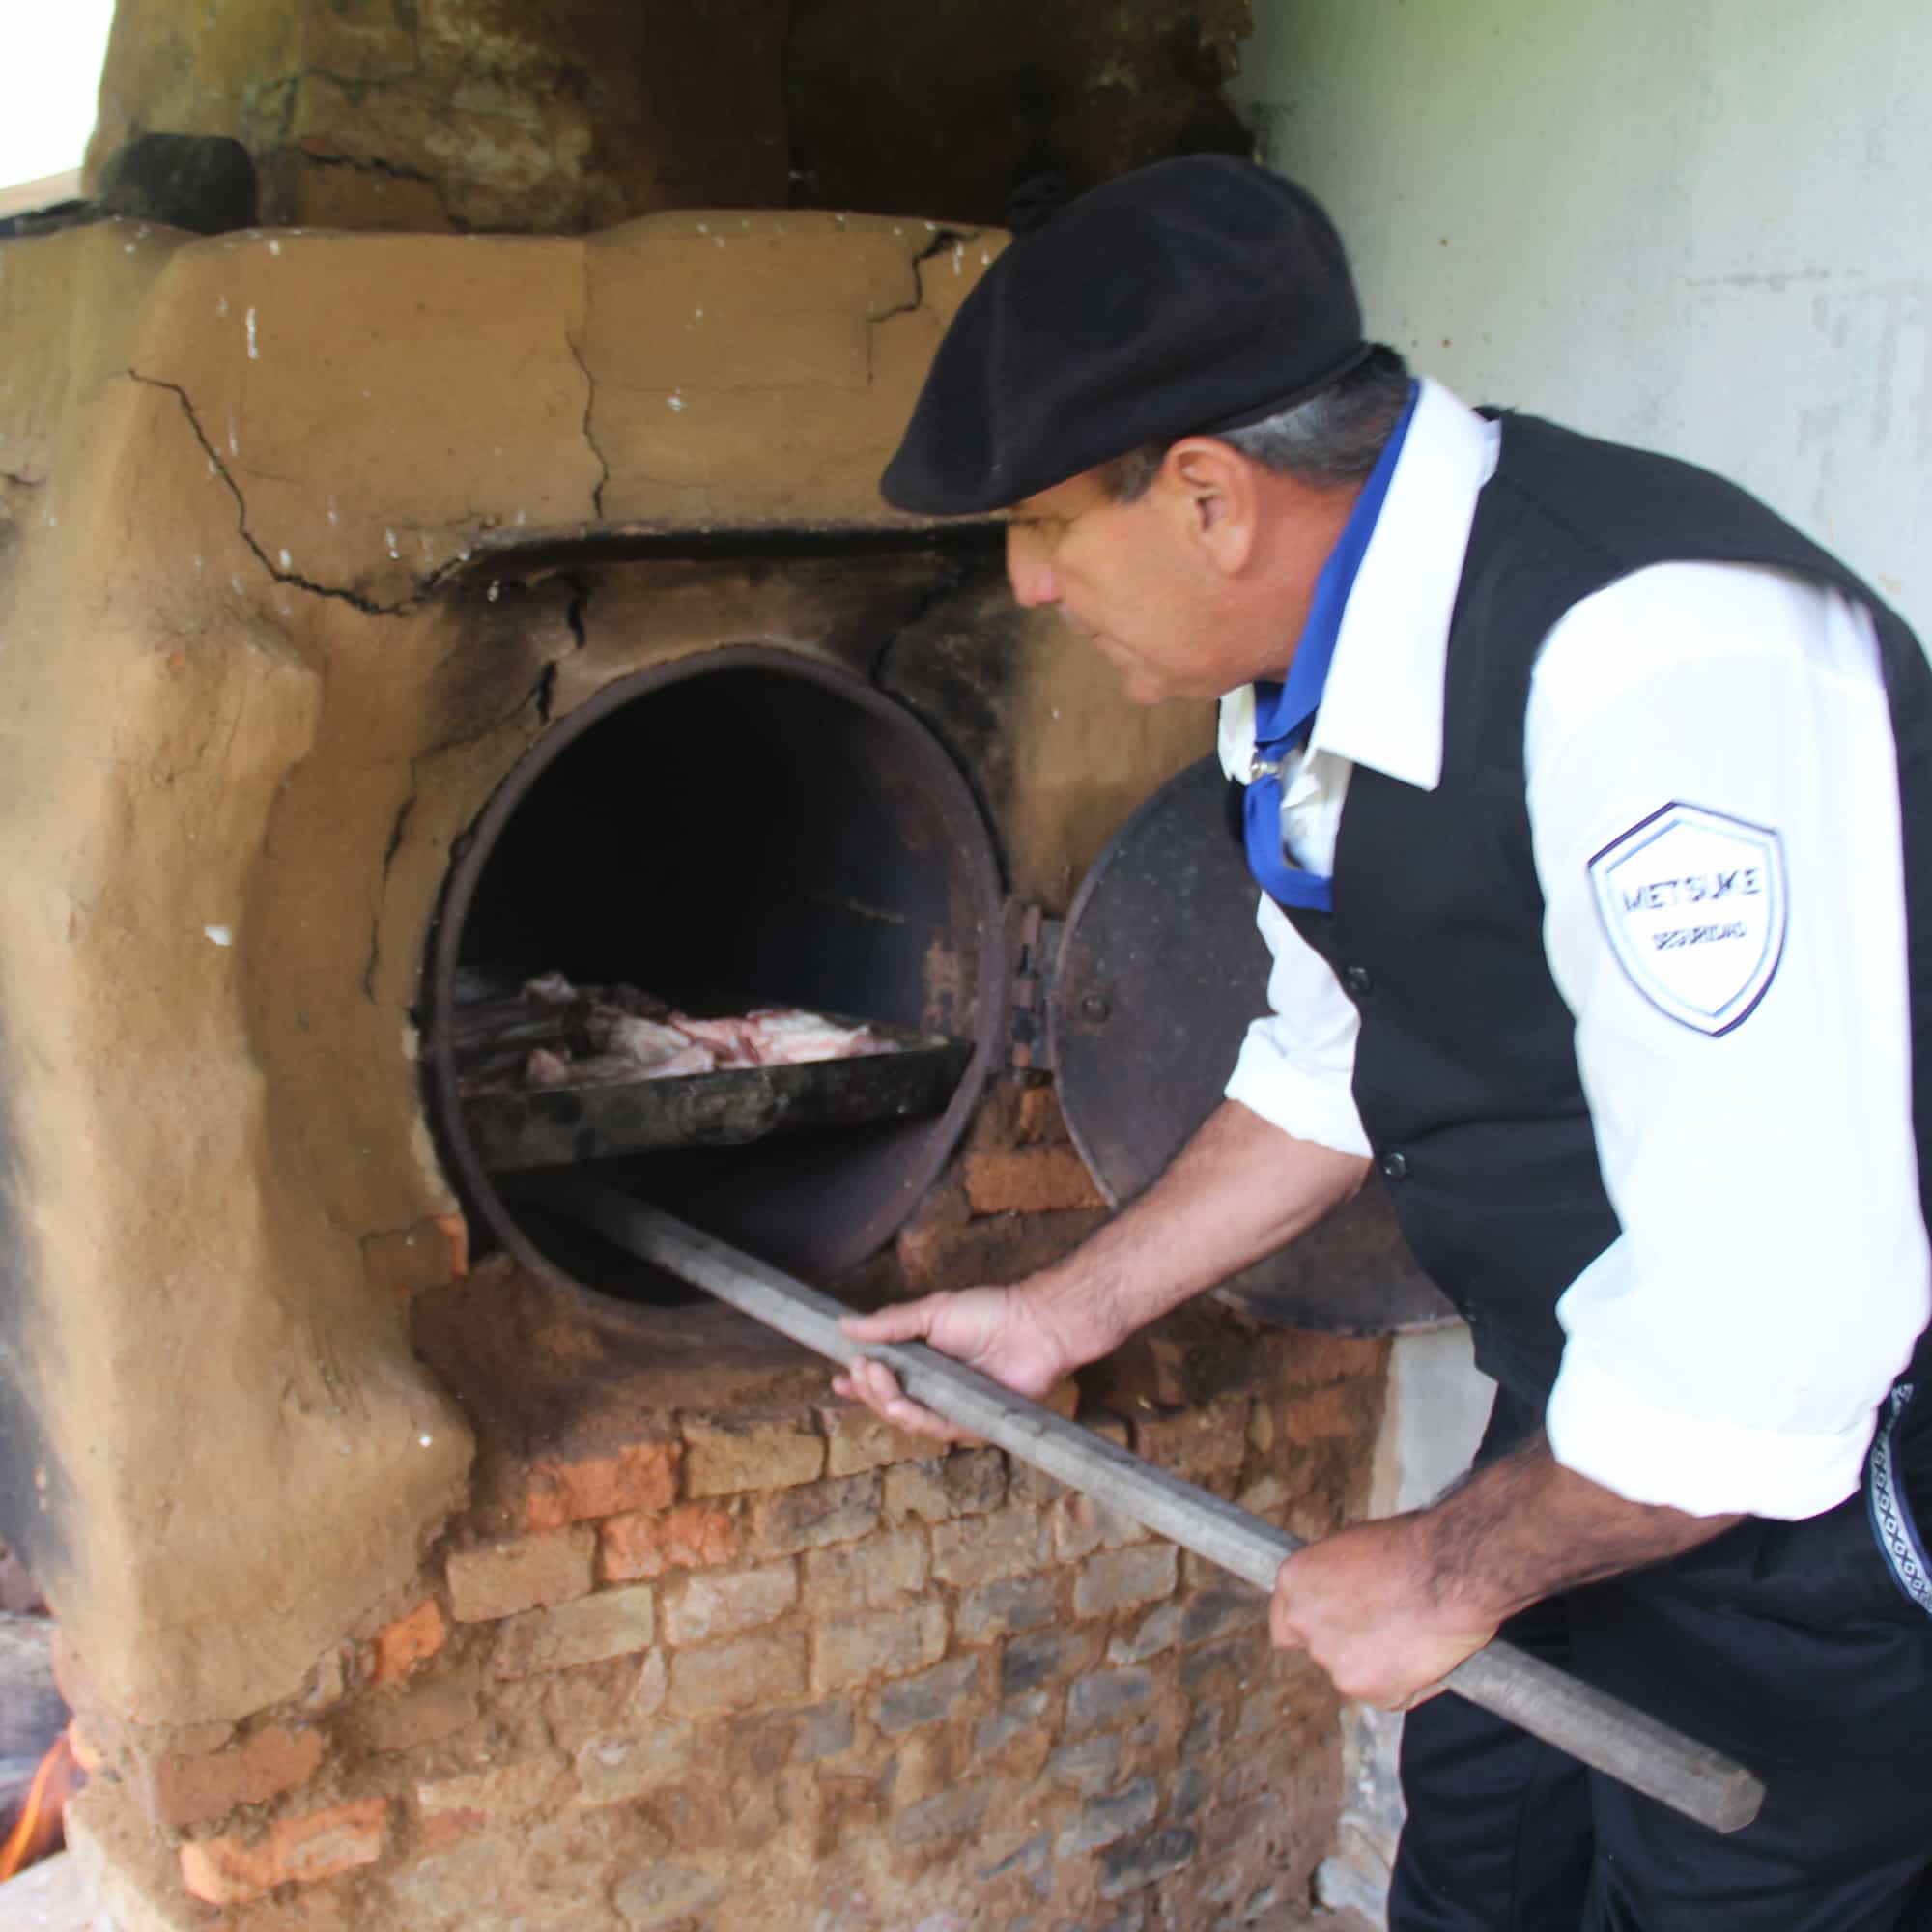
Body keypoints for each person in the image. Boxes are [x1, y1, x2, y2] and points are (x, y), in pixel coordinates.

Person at [834, 155, 1932, 1929]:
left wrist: (1442, 1564)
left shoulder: (1653, 663)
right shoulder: (1306, 686)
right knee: (1481, 1878)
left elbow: (1770, 1336)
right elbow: (1335, 1052)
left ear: (1205, 497)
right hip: (1584, 1424)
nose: (1029, 587)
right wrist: (1058, 1315)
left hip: (1828, 1506)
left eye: (1042, 524)